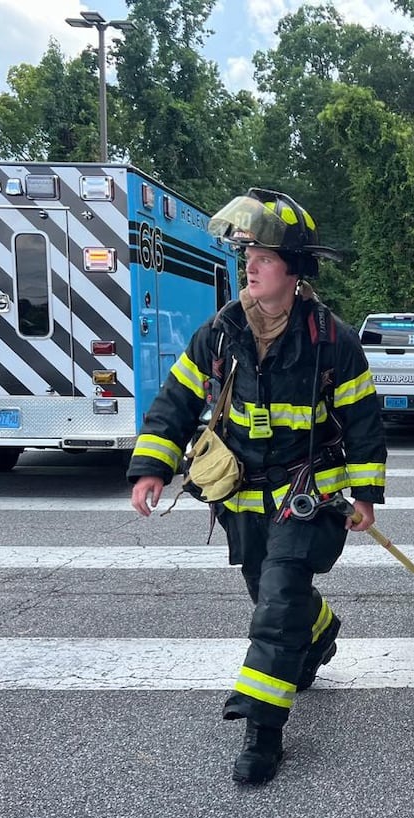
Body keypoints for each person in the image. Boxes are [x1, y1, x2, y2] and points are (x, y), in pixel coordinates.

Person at [128, 188, 387, 785]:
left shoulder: (331, 340)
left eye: (264, 257)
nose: (251, 265)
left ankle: (261, 732)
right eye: (248, 254)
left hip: (306, 499)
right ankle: (318, 631)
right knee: (267, 591)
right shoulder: (220, 332)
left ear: (294, 272)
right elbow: (176, 399)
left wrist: (366, 494)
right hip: (243, 498)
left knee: (275, 607)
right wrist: (151, 466)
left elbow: (364, 420)